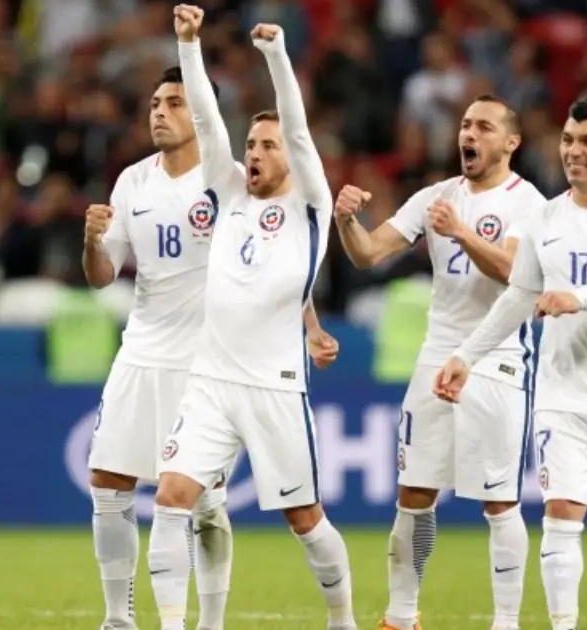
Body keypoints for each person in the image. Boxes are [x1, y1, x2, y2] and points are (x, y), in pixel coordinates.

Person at [436, 98, 587, 630]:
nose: (573, 150)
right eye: (568, 139)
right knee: (560, 516)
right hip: (560, 395)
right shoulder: (545, 217)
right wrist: (466, 355)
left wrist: (579, 297)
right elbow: (519, 295)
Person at [148, 7, 353, 630]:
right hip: (211, 382)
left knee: (306, 520)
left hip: (274, 388)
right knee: (170, 498)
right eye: (251, 145)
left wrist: (276, 57)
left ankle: (342, 619)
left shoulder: (310, 206)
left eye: (268, 145)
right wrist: (188, 44)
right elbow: (207, 120)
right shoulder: (231, 191)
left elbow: (298, 130)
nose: (255, 153)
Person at [334, 95, 546, 630]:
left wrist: (462, 233)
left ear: (511, 141)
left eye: (484, 126)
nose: (468, 134)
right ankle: (400, 617)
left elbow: (515, 273)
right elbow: (369, 253)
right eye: (466, 124)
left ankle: (506, 622)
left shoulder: (529, 203)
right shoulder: (436, 197)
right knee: (414, 493)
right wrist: (346, 220)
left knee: (499, 501)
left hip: (497, 358)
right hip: (436, 355)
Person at [82, 66, 236, 630]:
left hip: (205, 361)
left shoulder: (227, 181)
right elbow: (102, 277)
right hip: (141, 351)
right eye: (155, 103)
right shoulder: (133, 181)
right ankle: (117, 619)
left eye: (174, 102)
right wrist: (92, 243)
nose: (160, 112)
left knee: (202, 499)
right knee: (108, 482)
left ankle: (209, 622)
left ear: (203, 114)